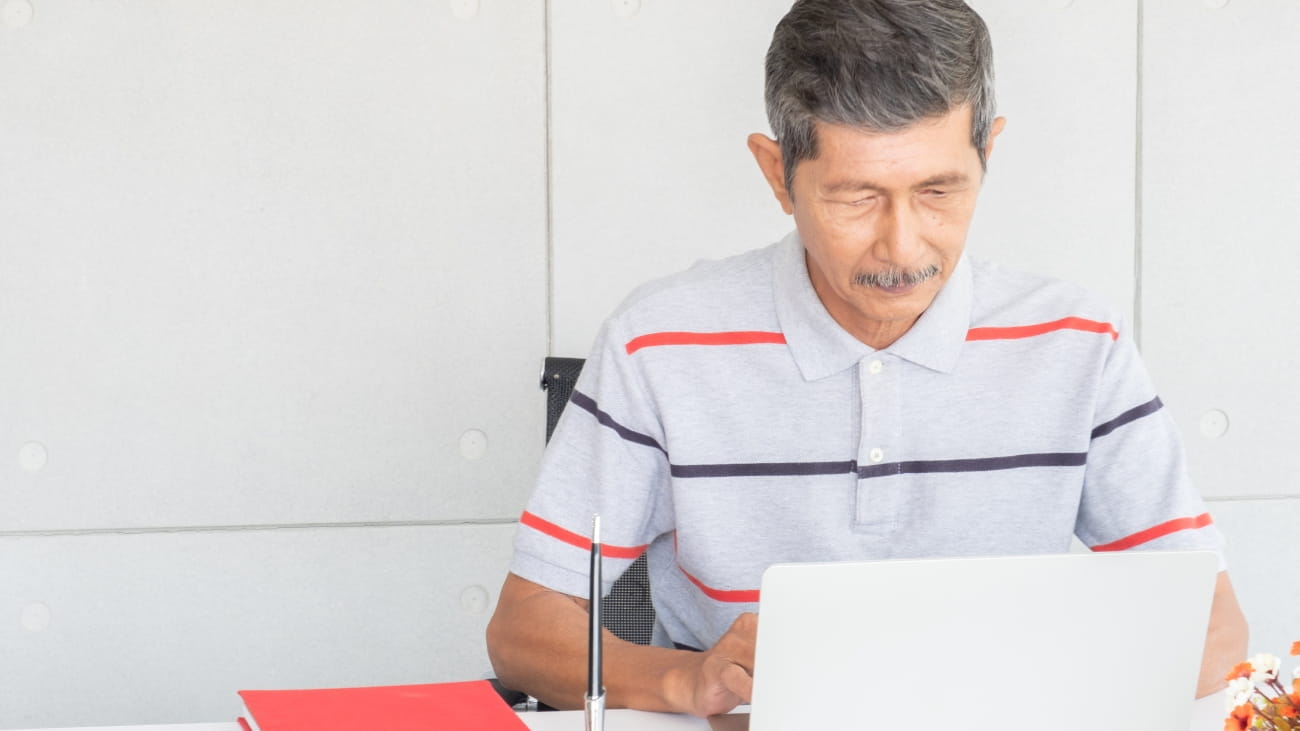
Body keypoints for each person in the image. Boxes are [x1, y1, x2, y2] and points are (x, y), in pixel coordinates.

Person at [486, 0, 1247, 717]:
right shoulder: (656, 343)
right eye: (857, 197)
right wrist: (686, 679)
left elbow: (1213, 626)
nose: (903, 247)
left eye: (939, 191)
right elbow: (523, 627)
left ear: (987, 151)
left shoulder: (1081, 344)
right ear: (777, 174)